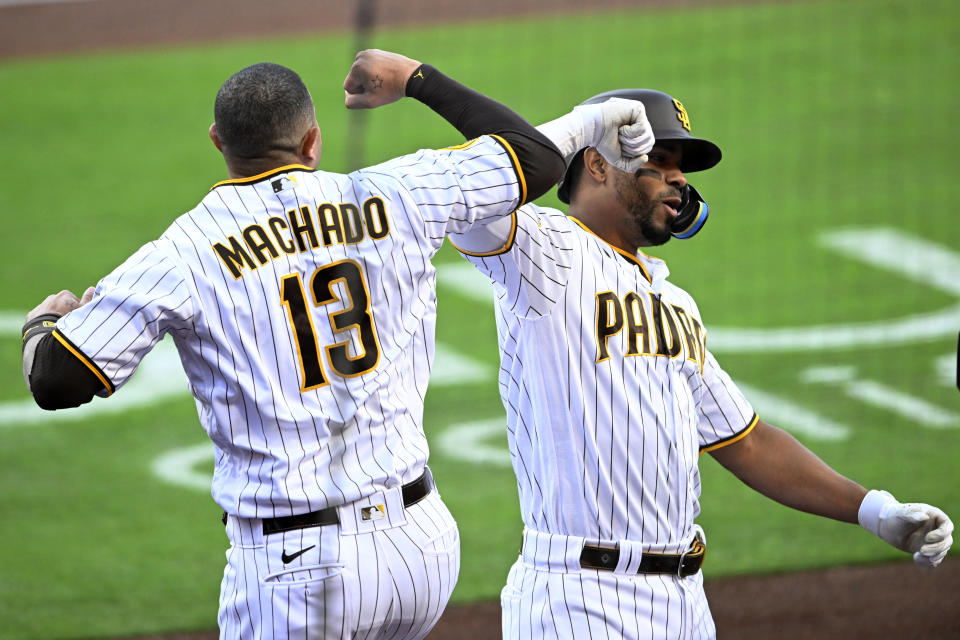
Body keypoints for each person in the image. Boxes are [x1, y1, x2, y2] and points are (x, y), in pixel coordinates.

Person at [18, 49, 656, 639]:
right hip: (421, 550)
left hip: (295, 573)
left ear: (218, 143)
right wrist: (424, 80)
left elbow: (57, 380)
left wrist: (44, 324)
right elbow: (533, 157)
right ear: (313, 140)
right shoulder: (396, 193)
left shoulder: (184, 251)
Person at [446, 88, 955, 639]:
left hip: (685, 602)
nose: (679, 179)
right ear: (596, 163)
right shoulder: (544, 254)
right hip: (579, 599)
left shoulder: (674, 303)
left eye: (680, 167)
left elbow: (749, 443)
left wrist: (875, 511)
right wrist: (582, 123)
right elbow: (467, 195)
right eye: (658, 161)